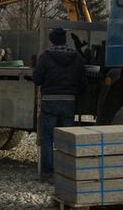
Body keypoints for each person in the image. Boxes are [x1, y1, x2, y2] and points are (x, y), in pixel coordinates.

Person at [33, 27, 85, 181]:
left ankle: (48, 173)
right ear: (65, 41)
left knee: (48, 138)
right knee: (66, 138)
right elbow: (83, 83)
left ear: (52, 40)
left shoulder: (45, 57)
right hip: (69, 102)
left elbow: (37, 79)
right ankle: (65, 173)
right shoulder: (76, 57)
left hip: (50, 101)